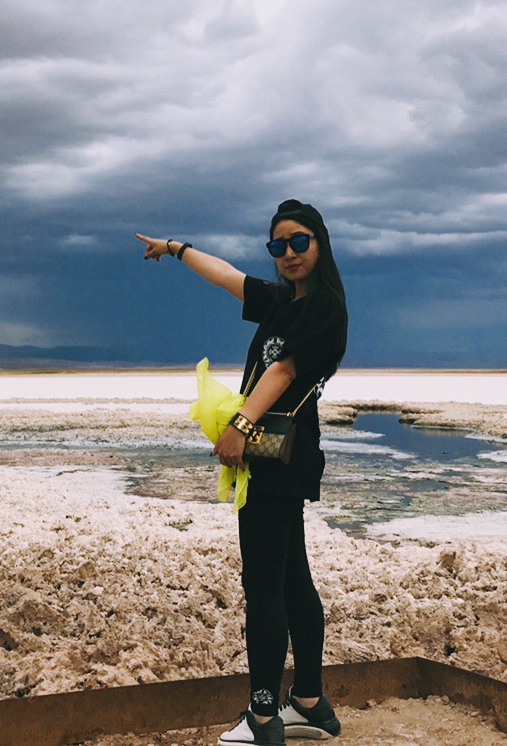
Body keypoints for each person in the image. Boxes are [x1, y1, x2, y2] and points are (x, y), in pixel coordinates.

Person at [136, 200, 349, 745]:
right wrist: (178, 250)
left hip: (281, 457)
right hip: (273, 459)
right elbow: (228, 276)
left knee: (263, 585)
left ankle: (261, 717)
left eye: (299, 242)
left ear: (320, 243)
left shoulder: (325, 306)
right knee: (291, 577)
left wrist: (239, 425)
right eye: (278, 246)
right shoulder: (282, 302)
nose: (288, 254)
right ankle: (308, 702)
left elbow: (285, 368)